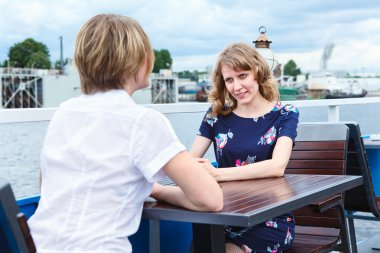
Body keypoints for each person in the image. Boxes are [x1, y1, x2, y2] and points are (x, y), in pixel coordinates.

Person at [28, 14, 223, 253]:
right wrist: (156, 189)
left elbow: (45, 187)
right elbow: (211, 199)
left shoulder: (64, 112)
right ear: (137, 61)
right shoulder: (143, 122)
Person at [190, 42, 299, 253]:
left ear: (257, 72)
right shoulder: (216, 114)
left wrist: (217, 174)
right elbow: (189, 160)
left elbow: (277, 166)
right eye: (229, 80)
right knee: (199, 247)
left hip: (269, 218)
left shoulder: (285, 113)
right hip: (224, 214)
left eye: (242, 76)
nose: (236, 87)